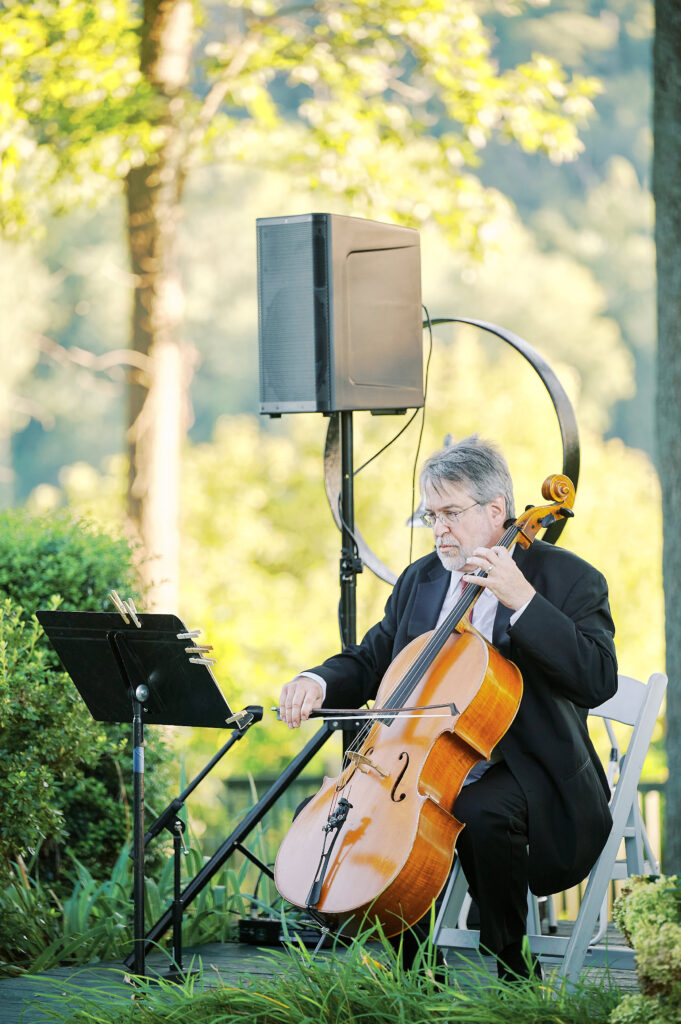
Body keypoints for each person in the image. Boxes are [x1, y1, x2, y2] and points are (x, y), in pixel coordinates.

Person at [278, 436, 618, 980]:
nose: (438, 529)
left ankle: (512, 966)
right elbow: (371, 658)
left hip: (530, 768)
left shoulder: (569, 578)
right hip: (425, 764)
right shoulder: (422, 580)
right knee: (356, 818)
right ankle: (414, 973)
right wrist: (317, 680)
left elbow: (597, 678)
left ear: (496, 511)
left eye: (451, 513)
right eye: (430, 515)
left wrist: (522, 600)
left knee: (482, 812)